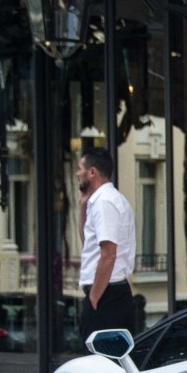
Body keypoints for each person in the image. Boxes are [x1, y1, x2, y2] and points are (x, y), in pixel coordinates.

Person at [77, 147, 136, 345]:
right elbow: (89, 244)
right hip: (110, 293)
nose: (77, 174)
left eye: (80, 168)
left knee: (98, 365)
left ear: (92, 172)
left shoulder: (105, 202)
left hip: (106, 296)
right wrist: (83, 206)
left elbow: (108, 254)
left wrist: (94, 297)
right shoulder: (105, 200)